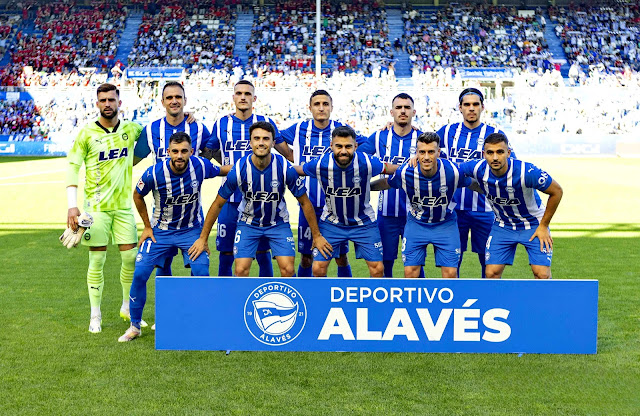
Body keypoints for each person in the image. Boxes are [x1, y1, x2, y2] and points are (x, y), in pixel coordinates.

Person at [118, 132, 229, 342]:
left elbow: (224, 169)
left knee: (201, 272)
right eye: (175, 151)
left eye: (184, 151)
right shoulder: (154, 172)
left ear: (191, 152)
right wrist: (147, 227)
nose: (180, 156)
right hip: (160, 232)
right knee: (140, 273)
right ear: (168, 152)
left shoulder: (200, 166)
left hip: (191, 232)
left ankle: (197, 321)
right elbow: (137, 195)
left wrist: (250, 167)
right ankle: (135, 326)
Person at [189, 121, 331, 276]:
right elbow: (217, 204)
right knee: (241, 270)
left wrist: (317, 236)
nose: (261, 143)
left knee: (288, 270)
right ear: (250, 142)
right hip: (248, 224)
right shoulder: (239, 168)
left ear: (273, 142)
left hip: (278, 224)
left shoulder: (284, 167)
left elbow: (304, 201)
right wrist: (203, 239)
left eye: (266, 138)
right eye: (257, 139)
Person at [64, 83, 145, 333]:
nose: (107, 104)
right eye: (103, 100)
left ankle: (126, 307)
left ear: (119, 103)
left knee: (131, 258)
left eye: (111, 100)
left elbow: (159, 131)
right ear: (97, 103)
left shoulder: (132, 129)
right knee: (97, 259)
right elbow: (72, 167)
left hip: (122, 208)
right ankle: (95, 315)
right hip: (95, 209)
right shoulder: (87, 133)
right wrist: (72, 206)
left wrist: (186, 116)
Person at [202, 80, 294, 277]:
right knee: (226, 253)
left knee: (262, 253)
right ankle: (226, 298)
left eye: (247, 93)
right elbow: (207, 157)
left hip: (261, 200)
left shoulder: (265, 123)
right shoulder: (221, 123)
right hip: (230, 199)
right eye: (239, 93)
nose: (243, 97)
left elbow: (288, 154)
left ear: (254, 98)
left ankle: (266, 293)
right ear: (233, 97)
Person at [293, 126, 399, 278]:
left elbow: (393, 169)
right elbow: (297, 170)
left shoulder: (367, 162)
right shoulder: (321, 163)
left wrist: (416, 165)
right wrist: (277, 168)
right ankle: (323, 301)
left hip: (364, 223)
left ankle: (371, 302)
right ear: (331, 146)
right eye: (339, 146)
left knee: (377, 269)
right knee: (318, 268)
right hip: (332, 223)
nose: (343, 151)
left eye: (348, 146)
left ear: (355, 146)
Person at [280, 90, 364, 278]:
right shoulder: (299, 127)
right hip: (307, 204)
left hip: (336, 207)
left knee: (341, 257)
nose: (321, 108)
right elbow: (274, 137)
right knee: (306, 257)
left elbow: (367, 143)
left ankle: (344, 296)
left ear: (331, 107)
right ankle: (306, 297)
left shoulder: (341, 129)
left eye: (325, 104)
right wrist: (290, 156)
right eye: (317, 104)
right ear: (310, 108)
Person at [459, 133, 563, 279]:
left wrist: (544, 225)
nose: (495, 157)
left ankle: (543, 302)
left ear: (508, 153)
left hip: (533, 225)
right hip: (503, 225)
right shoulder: (476, 168)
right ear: (483, 154)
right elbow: (450, 170)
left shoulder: (526, 172)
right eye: (490, 153)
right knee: (491, 273)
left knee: (542, 274)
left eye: (500, 152)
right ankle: (495, 303)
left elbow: (557, 191)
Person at [436, 87, 514, 278]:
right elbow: (424, 147)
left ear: (482, 107)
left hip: (486, 209)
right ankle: (453, 302)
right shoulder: (446, 132)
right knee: (452, 265)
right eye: (467, 105)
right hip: (452, 210)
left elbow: (510, 165)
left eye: (475, 104)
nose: (471, 108)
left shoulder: (494, 134)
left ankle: (487, 302)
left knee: (489, 265)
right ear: (460, 108)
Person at [372, 132, 473, 278]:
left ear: (439, 152)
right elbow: (388, 183)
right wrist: (367, 187)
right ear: (416, 153)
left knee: (451, 273)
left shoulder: (453, 171)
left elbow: (472, 184)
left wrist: (493, 190)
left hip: (445, 224)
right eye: (422, 152)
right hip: (417, 224)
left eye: (431, 152)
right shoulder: (405, 171)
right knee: (410, 273)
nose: (426, 157)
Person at [132, 81, 207, 278]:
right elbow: (131, 160)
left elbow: (217, 156)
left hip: (191, 213)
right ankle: (167, 307)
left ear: (185, 100)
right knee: (162, 265)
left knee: (198, 267)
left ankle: (193, 305)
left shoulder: (198, 129)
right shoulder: (151, 130)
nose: (174, 101)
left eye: (178, 97)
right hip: (162, 212)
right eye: (170, 98)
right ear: (162, 101)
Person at [360, 93, 423, 277]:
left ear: (414, 112)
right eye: (399, 107)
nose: (403, 111)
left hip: (415, 214)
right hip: (386, 213)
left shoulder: (422, 139)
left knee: (416, 266)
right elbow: (357, 155)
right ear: (391, 112)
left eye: (407, 107)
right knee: (384, 265)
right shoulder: (380, 136)